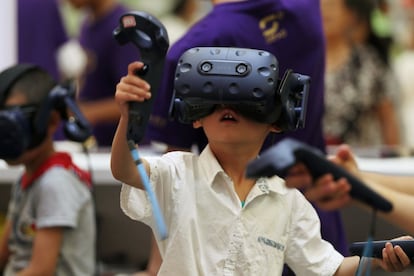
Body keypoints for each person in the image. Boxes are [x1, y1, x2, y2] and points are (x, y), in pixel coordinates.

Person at [111, 58, 411, 275]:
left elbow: (327, 267)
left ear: (276, 120)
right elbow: (125, 169)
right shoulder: (175, 172)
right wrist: (129, 117)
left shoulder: (287, 199)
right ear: (195, 115)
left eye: (245, 100)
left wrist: (378, 258)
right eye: (213, 99)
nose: (227, 108)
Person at [143, 0, 347, 274]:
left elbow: (172, 177)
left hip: (226, 237)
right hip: (318, 208)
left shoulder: (190, 52)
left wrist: (157, 265)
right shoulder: (307, 7)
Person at [0, 64, 96, 275]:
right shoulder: (27, 178)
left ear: (51, 121)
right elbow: (4, 253)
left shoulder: (56, 183)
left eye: (11, 124)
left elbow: (41, 271)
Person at [321, 0, 401, 147]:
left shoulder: (369, 62)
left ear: (351, 14)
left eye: (332, 5)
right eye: (321, 5)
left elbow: (388, 119)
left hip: (359, 160)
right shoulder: (303, 62)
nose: (325, 12)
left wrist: (393, 158)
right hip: (308, 162)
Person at [60, 0, 138, 147]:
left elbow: (137, 100)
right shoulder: (87, 24)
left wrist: (87, 113)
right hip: (101, 144)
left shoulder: (124, 27)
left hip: (126, 149)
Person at [18, 0, 69, 81]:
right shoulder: (49, 3)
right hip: (46, 80)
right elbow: (64, 48)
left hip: (15, 81)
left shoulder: (7, 5)